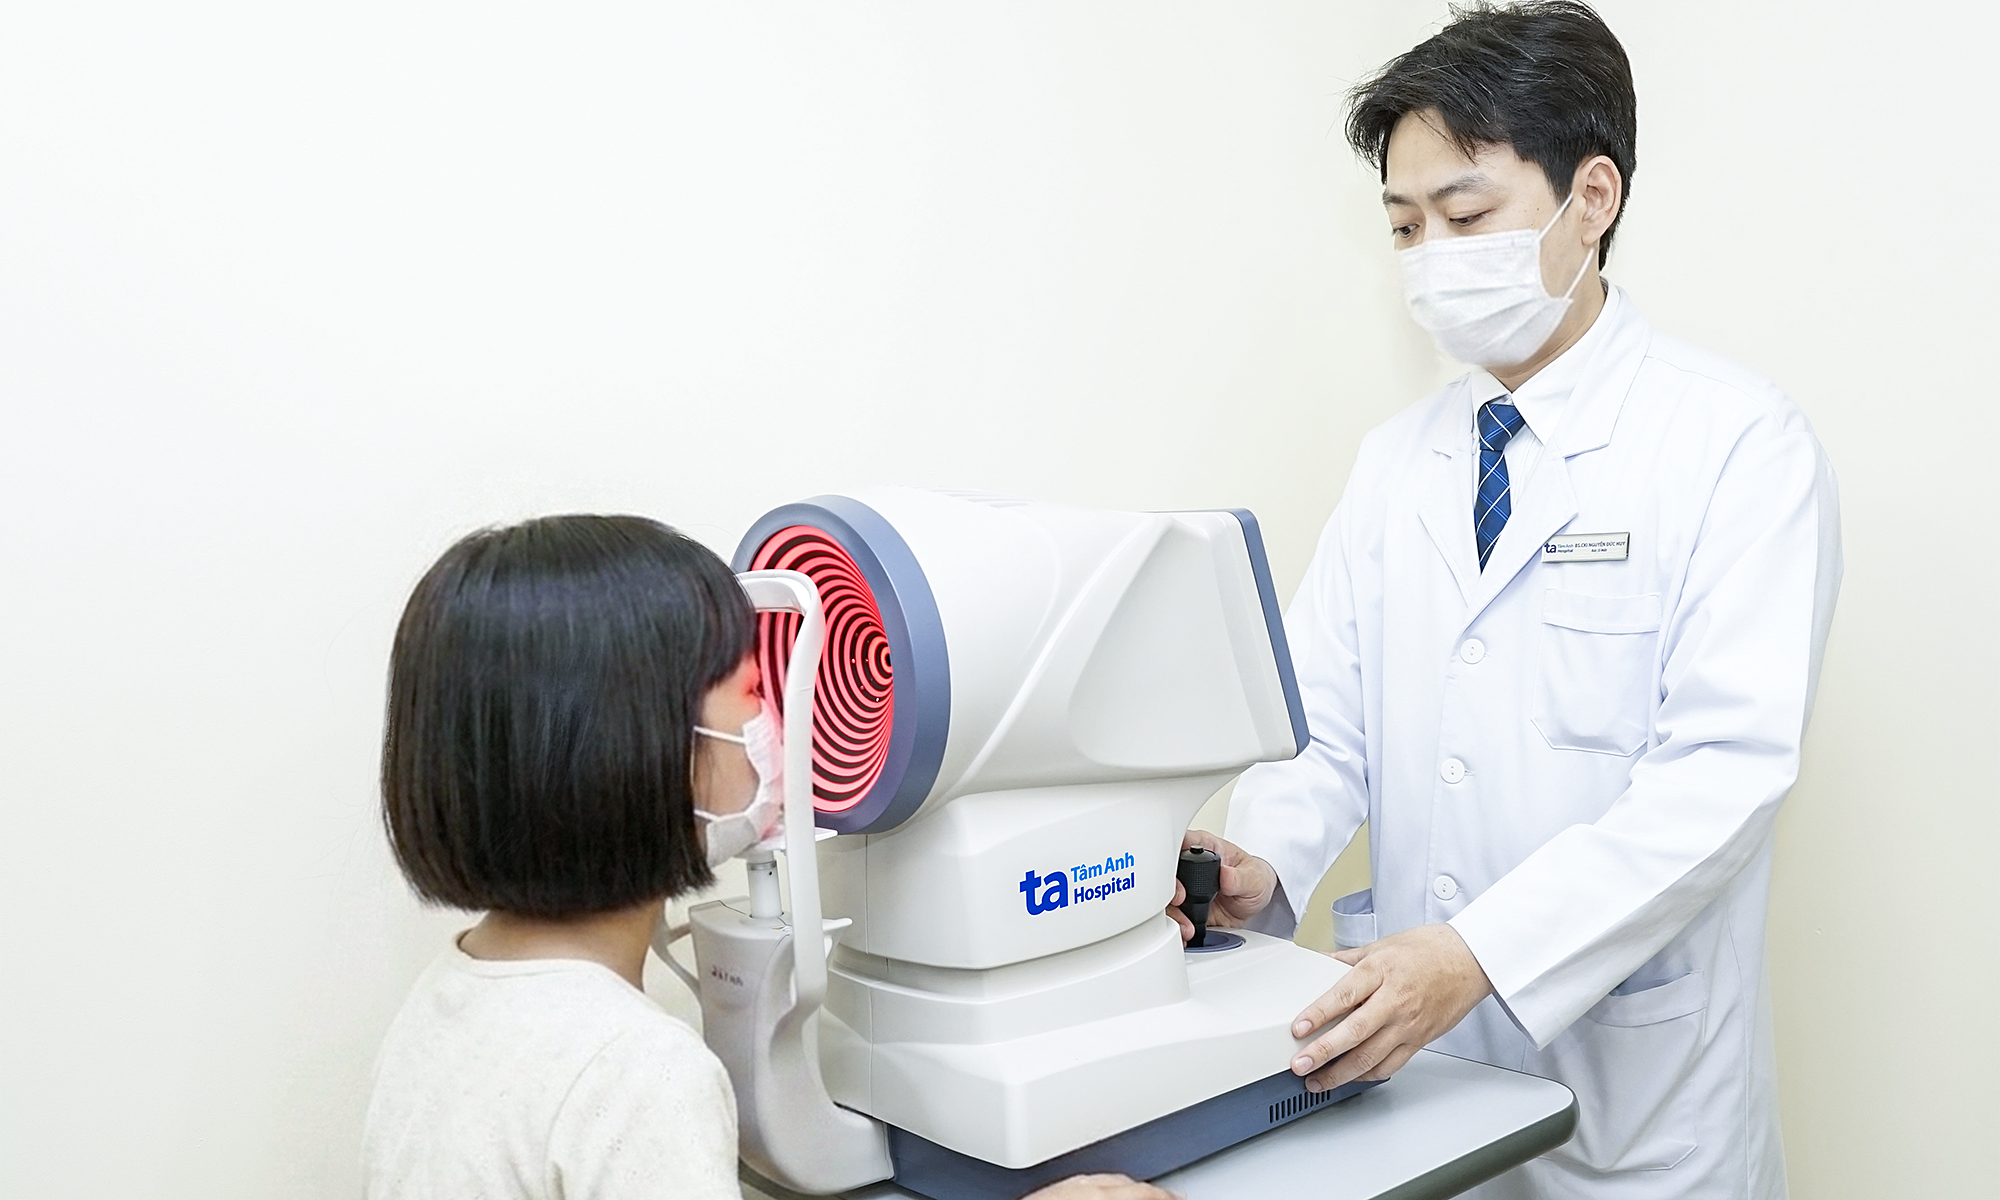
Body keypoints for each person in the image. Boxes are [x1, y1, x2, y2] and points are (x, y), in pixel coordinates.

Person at [1167, 4, 1840, 1198]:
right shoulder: (1394, 462)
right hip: (1414, 1082)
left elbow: (1719, 778)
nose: (1430, 257)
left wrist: (1480, 955)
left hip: (1642, 1113)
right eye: (1403, 226)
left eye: (1465, 215)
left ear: (1591, 198)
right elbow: (1324, 725)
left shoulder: (1735, 442)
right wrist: (1262, 860)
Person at [364, 515, 1171, 1200]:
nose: (781, 722)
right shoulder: (635, 1072)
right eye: (756, 691)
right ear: (636, 749)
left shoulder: (448, 1001)